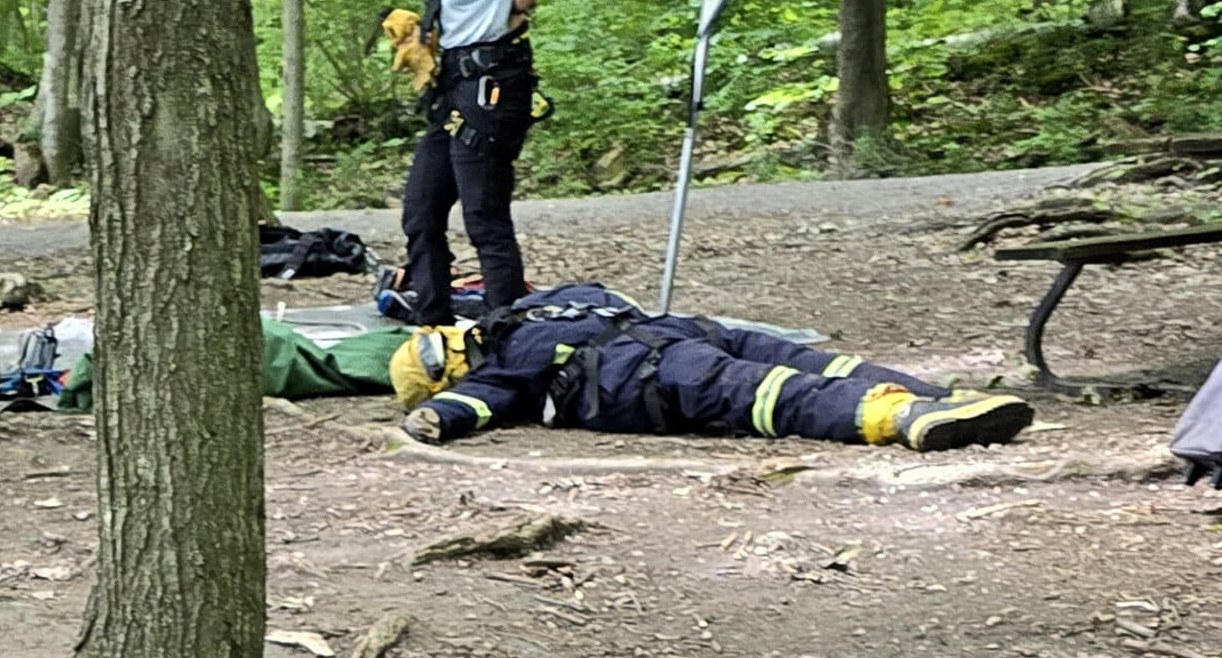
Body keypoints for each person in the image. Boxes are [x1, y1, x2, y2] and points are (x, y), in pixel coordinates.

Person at [388, 281, 1035, 452]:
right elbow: (599, 292)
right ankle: (929, 405)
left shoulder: (500, 363)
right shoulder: (523, 322)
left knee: (791, 382)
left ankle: (926, 406)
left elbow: (466, 409)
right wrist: (437, 418)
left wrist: (431, 419)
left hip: (658, 367)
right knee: (795, 372)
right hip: (675, 344)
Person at [395, 0, 551, 325]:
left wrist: (522, 3)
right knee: (421, 211)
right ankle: (433, 329)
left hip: (491, 86)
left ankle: (507, 341)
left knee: (484, 218)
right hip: (457, 85)